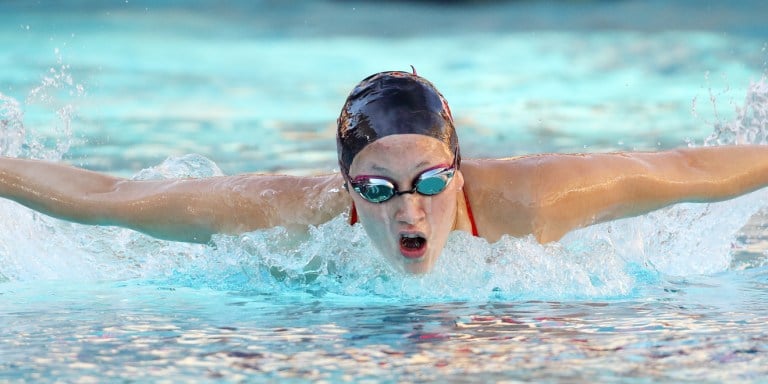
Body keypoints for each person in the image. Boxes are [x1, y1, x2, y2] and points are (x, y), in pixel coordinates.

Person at [2, 70, 768, 274]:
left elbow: (694, 169)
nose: (410, 210)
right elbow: (109, 198)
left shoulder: (539, 199)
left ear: (458, 173)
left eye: (431, 182)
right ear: (346, 192)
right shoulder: (279, 216)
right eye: (377, 189)